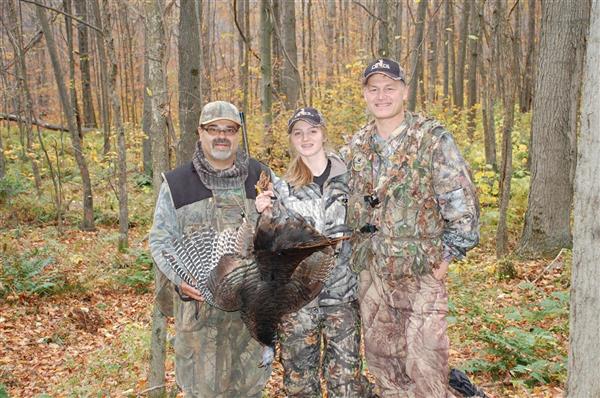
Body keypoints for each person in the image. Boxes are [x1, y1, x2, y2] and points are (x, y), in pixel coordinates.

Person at [342, 58, 480, 397]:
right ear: (364, 95)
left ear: (405, 91)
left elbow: (463, 207)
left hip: (421, 274)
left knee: (426, 366)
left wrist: (445, 260)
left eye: (390, 88)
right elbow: (329, 196)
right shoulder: (355, 147)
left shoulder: (432, 140)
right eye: (373, 89)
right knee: (384, 366)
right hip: (372, 276)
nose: (382, 96)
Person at [149, 101, 271, 397]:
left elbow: (278, 237)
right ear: (199, 132)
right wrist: (179, 280)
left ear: (238, 134)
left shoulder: (261, 177)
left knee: (249, 391)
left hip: (248, 318)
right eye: (213, 129)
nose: (221, 136)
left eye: (229, 130)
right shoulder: (177, 183)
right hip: (198, 315)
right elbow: (160, 240)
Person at [256, 107, 369, 397]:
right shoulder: (282, 188)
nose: (306, 138)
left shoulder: (352, 178)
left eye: (312, 130)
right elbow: (271, 249)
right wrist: (264, 215)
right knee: (299, 386)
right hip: (298, 303)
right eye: (298, 133)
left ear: (323, 133)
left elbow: (369, 227)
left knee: (346, 386)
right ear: (292, 140)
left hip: (342, 299)